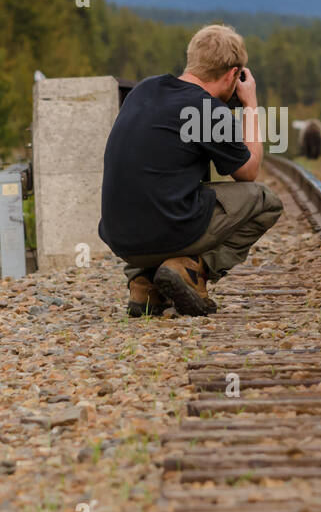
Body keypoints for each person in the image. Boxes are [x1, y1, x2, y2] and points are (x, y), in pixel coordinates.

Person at [98, 25, 283, 317]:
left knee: (178, 185)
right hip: (165, 233)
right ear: (233, 74)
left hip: (120, 239)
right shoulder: (206, 109)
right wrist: (250, 105)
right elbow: (248, 173)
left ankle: (144, 282)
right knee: (266, 201)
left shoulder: (143, 90)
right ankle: (192, 271)